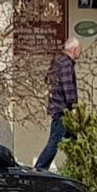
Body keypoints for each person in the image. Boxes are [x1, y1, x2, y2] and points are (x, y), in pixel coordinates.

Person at [34, 37, 81, 170]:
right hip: (63, 109)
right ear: (74, 50)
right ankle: (40, 168)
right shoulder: (66, 63)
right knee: (55, 141)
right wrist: (73, 107)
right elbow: (68, 86)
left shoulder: (56, 62)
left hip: (57, 106)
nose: (80, 53)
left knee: (74, 140)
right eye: (79, 50)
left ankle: (79, 166)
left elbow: (47, 80)